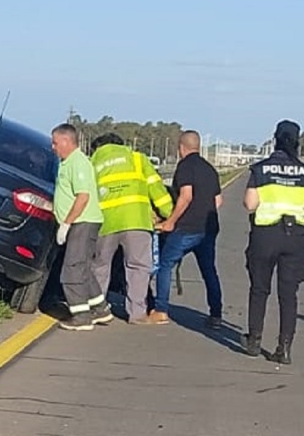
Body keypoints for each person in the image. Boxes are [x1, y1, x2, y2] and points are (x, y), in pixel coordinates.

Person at [240, 119, 304, 365]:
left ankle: (254, 340)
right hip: (296, 238)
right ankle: (284, 348)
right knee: (288, 295)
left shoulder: (261, 169)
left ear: (275, 138)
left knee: (259, 289)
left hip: (265, 235)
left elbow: (250, 204)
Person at [89, 133, 173, 325]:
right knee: (138, 267)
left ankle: (97, 310)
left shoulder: (93, 163)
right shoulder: (137, 158)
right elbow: (156, 189)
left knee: (100, 266)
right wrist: (169, 214)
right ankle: (137, 314)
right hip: (137, 221)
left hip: (105, 222)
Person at [152, 130, 224, 328]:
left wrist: (171, 221)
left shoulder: (185, 166)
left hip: (186, 228)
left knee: (165, 265)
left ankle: (160, 310)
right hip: (208, 228)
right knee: (209, 270)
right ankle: (216, 314)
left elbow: (186, 195)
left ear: (181, 148)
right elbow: (218, 201)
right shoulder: (210, 169)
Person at [50, 123, 111, 331]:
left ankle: (81, 315)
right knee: (83, 267)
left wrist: (66, 223)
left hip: (82, 222)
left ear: (67, 141)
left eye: (55, 142)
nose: (53, 147)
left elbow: (83, 196)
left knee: (72, 269)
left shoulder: (78, 163)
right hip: (81, 221)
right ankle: (99, 308)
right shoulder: (67, 163)